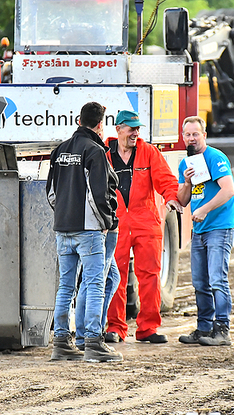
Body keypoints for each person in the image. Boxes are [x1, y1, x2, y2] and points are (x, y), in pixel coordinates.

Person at [46, 101, 123, 362]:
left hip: (62, 228)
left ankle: (61, 343)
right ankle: (93, 342)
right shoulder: (94, 150)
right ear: (100, 125)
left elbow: (51, 193)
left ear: (79, 120)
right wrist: (107, 221)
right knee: (94, 283)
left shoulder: (59, 150)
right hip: (88, 230)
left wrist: (63, 216)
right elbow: (98, 193)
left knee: (65, 286)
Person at [104, 110, 182, 344]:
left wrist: (171, 197)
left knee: (149, 275)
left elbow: (166, 180)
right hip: (116, 223)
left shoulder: (149, 152)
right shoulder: (105, 154)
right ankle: (116, 328)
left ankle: (148, 328)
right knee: (115, 275)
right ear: (118, 129)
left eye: (137, 128)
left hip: (146, 221)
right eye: (130, 128)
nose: (135, 133)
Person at [177, 116, 234, 346]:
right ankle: (204, 328)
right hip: (200, 229)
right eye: (187, 134)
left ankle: (222, 330)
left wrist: (203, 209)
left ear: (204, 135)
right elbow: (183, 201)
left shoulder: (215, 157)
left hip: (219, 227)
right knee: (199, 281)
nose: (191, 138)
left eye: (195, 134)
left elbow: (228, 190)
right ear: (183, 137)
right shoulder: (186, 163)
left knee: (216, 279)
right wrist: (185, 183)